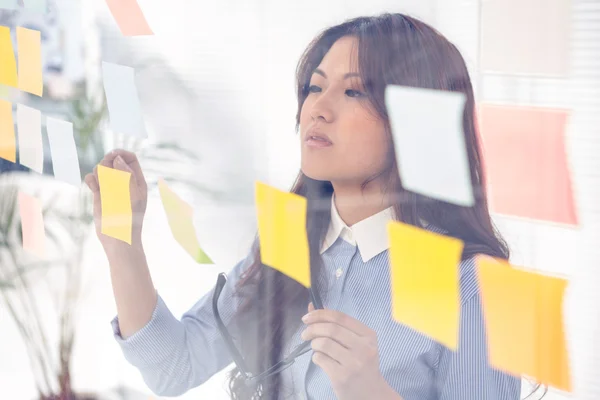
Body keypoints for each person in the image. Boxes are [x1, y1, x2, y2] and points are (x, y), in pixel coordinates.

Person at [85, 13, 522, 400]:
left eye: (353, 92)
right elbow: (173, 367)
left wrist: (371, 393)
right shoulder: (289, 243)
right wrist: (122, 244)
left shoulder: (475, 286)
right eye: (315, 87)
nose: (318, 109)